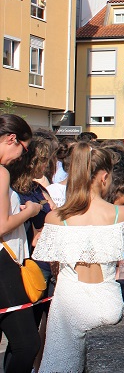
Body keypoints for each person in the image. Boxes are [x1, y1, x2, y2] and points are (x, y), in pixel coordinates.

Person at [32, 143, 124, 372]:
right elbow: (121, 258)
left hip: (71, 304)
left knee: (57, 365)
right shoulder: (120, 213)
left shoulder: (56, 218)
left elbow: (53, 266)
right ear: (104, 177)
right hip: (108, 303)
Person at [0, 114, 42, 372]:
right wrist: (31, 210)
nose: (20, 157)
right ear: (11, 139)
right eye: (23, 150)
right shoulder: (1, 172)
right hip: (3, 265)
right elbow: (2, 225)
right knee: (27, 344)